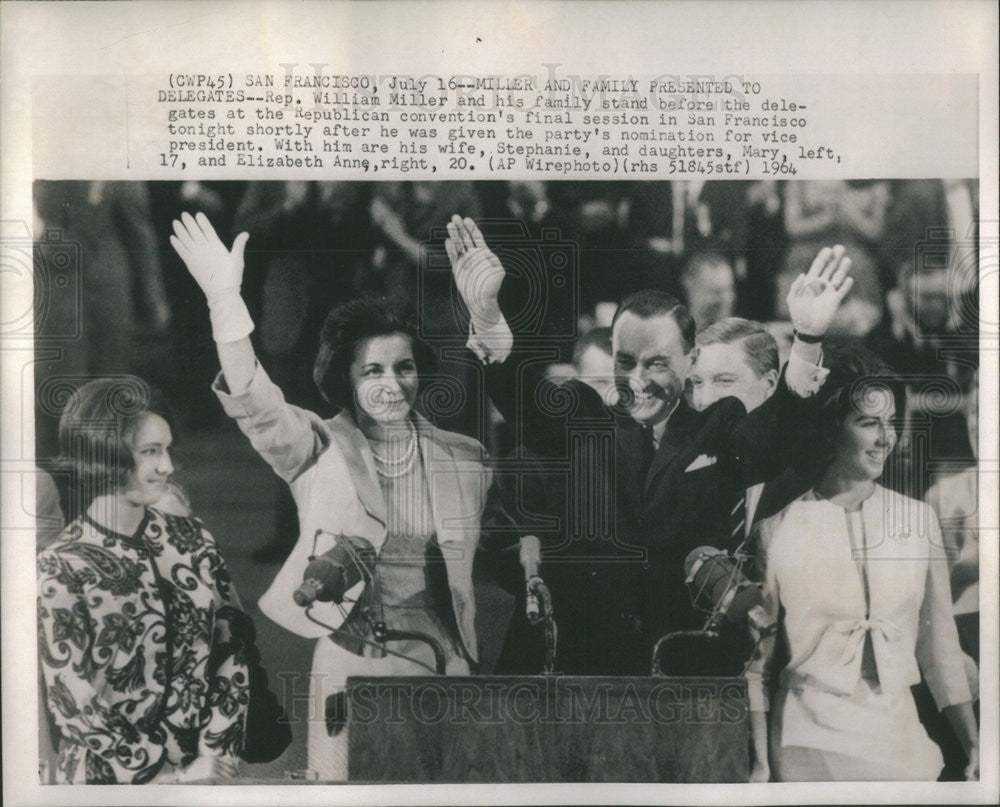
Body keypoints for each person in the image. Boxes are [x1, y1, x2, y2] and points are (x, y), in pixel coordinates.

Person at [170, 212, 522, 780]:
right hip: (348, 670)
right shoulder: (318, 447)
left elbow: (517, 544)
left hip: (443, 673)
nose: (391, 381)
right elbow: (257, 404)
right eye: (373, 369)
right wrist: (224, 305)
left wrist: (491, 324)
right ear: (347, 377)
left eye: (404, 367)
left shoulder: (465, 458)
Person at [445, 215, 853, 676]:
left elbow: (778, 441)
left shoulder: (720, 425)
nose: (638, 381)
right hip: (587, 673)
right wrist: (487, 317)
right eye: (626, 362)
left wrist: (807, 341)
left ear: (691, 359)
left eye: (657, 363)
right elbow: (524, 403)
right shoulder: (581, 415)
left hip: (685, 672)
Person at [745, 346, 979, 782]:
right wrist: (759, 765)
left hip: (901, 739)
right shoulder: (777, 527)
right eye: (869, 423)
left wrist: (975, 745)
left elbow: (941, 651)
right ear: (831, 430)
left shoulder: (917, 519)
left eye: (890, 423)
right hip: (804, 743)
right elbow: (760, 665)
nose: (885, 438)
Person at [36, 378, 249, 784]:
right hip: (103, 783)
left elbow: (232, 644)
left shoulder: (194, 541)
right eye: (150, 452)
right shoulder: (61, 564)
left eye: (167, 449)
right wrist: (163, 772)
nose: (166, 466)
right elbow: (71, 698)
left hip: (204, 773)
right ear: (106, 456)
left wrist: (216, 751)